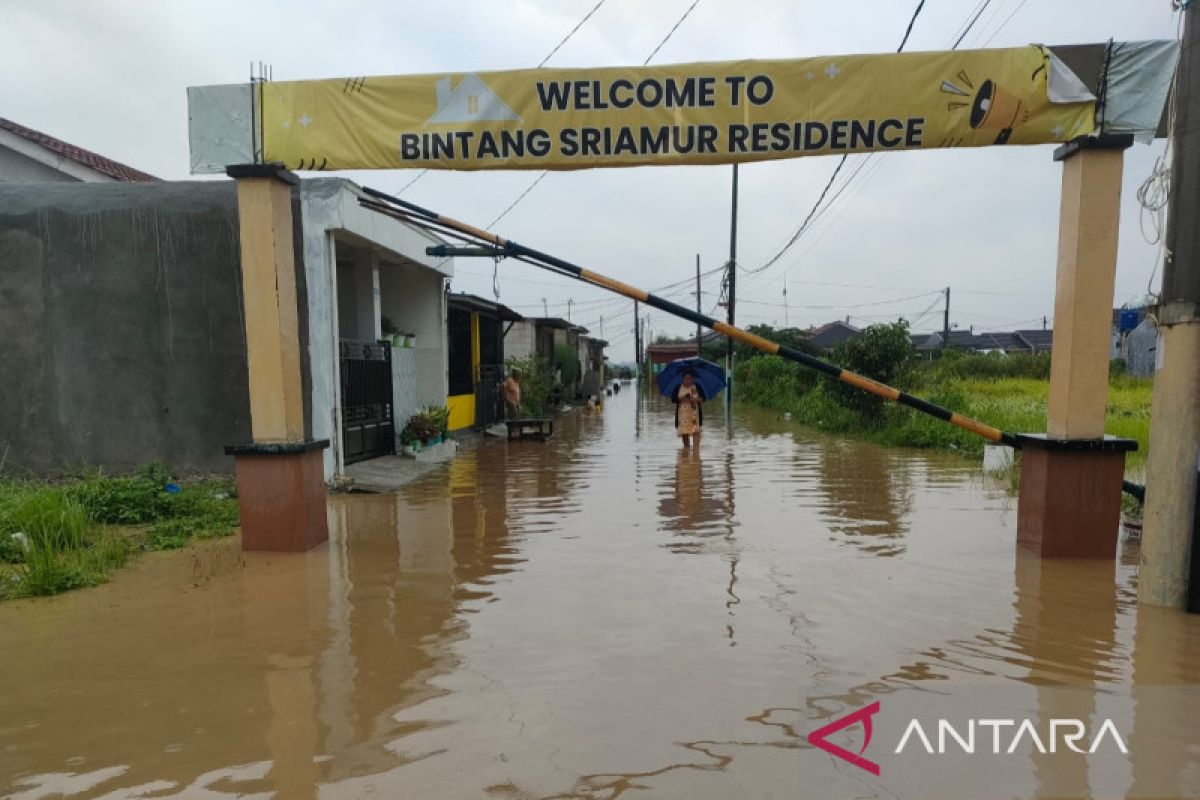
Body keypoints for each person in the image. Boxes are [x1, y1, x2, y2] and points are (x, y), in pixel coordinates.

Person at [671, 370, 705, 448]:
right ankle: (686, 451)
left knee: (696, 432)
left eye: (689, 378)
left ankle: (696, 453)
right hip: (683, 416)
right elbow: (673, 400)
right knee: (685, 433)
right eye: (686, 378)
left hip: (694, 415)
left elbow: (703, 398)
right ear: (682, 379)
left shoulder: (697, 387)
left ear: (693, 379)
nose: (688, 380)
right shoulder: (678, 387)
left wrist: (696, 399)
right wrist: (682, 397)